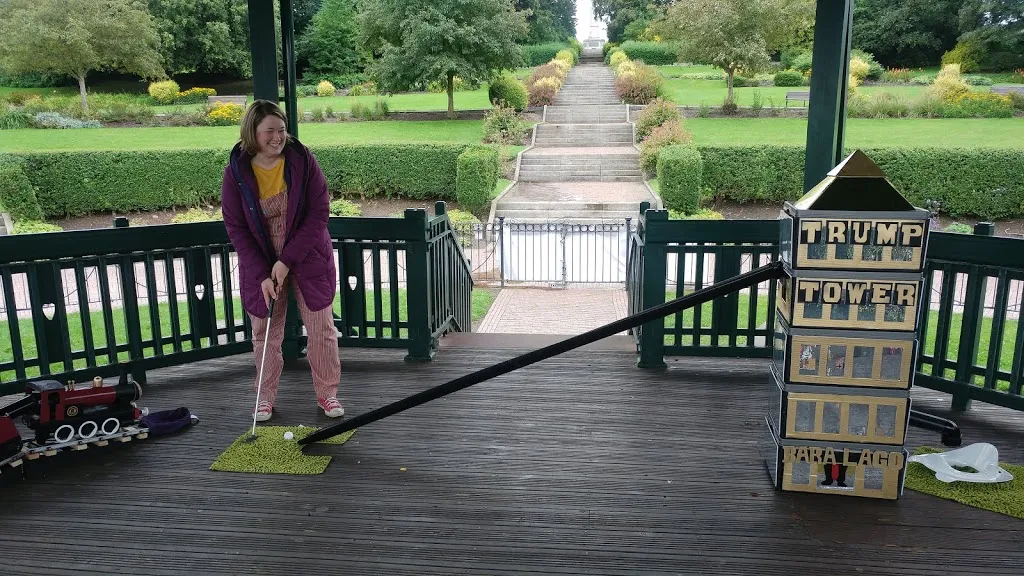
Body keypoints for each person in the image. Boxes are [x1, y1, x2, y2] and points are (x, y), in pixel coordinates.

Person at [220, 100, 344, 421]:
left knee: (321, 328)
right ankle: (264, 398)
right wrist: (263, 272)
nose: (277, 137)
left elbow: (318, 214)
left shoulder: (303, 161)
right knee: (264, 332)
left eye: (282, 130)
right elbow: (235, 227)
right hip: (259, 259)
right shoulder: (235, 174)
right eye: (269, 132)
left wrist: (286, 260)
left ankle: (327, 394)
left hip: (306, 253)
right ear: (252, 133)